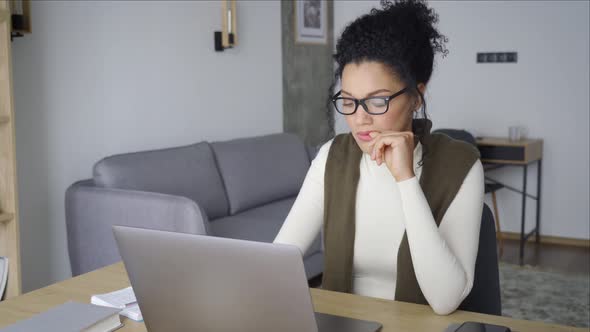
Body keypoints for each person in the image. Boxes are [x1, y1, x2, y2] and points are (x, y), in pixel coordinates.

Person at [274, 0, 484, 316]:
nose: (359, 118)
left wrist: (406, 180)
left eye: (378, 101)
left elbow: (445, 299)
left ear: (416, 97)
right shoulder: (334, 157)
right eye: (348, 101)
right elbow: (278, 259)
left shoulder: (460, 164)